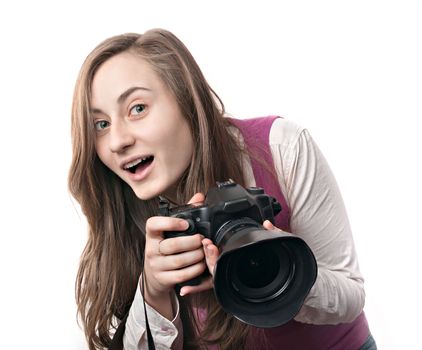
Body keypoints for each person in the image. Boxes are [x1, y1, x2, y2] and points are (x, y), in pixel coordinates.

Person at [68, 28, 376, 350]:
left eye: (138, 108)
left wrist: (273, 271)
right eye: (101, 124)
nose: (117, 141)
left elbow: (351, 296)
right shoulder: (119, 203)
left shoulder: (280, 147)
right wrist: (155, 291)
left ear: (187, 98)